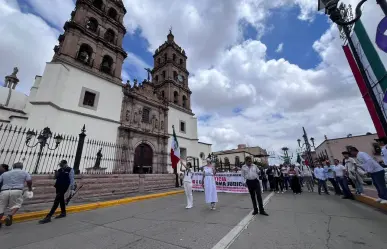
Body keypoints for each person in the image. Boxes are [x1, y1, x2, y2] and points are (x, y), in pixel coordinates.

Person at [39, 160, 75, 224]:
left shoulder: (70, 170)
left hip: (64, 187)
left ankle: (48, 217)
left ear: (65, 164)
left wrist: (72, 189)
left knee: (56, 200)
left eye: (61, 164)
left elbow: (72, 179)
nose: (60, 166)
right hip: (58, 186)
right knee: (61, 199)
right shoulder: (59, 170)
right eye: (60, 165)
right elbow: (55, 178)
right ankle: (63, 213)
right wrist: (56, 173)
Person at [0, 162, 32, 228]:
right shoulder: (25, 172)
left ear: (13, 167)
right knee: (17, 204)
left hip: (4, 191)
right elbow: (29, 181)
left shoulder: (5, 173)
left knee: (1, 207)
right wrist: (30, 188)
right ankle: (9, 215)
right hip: (17, 190)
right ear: (21, 167)